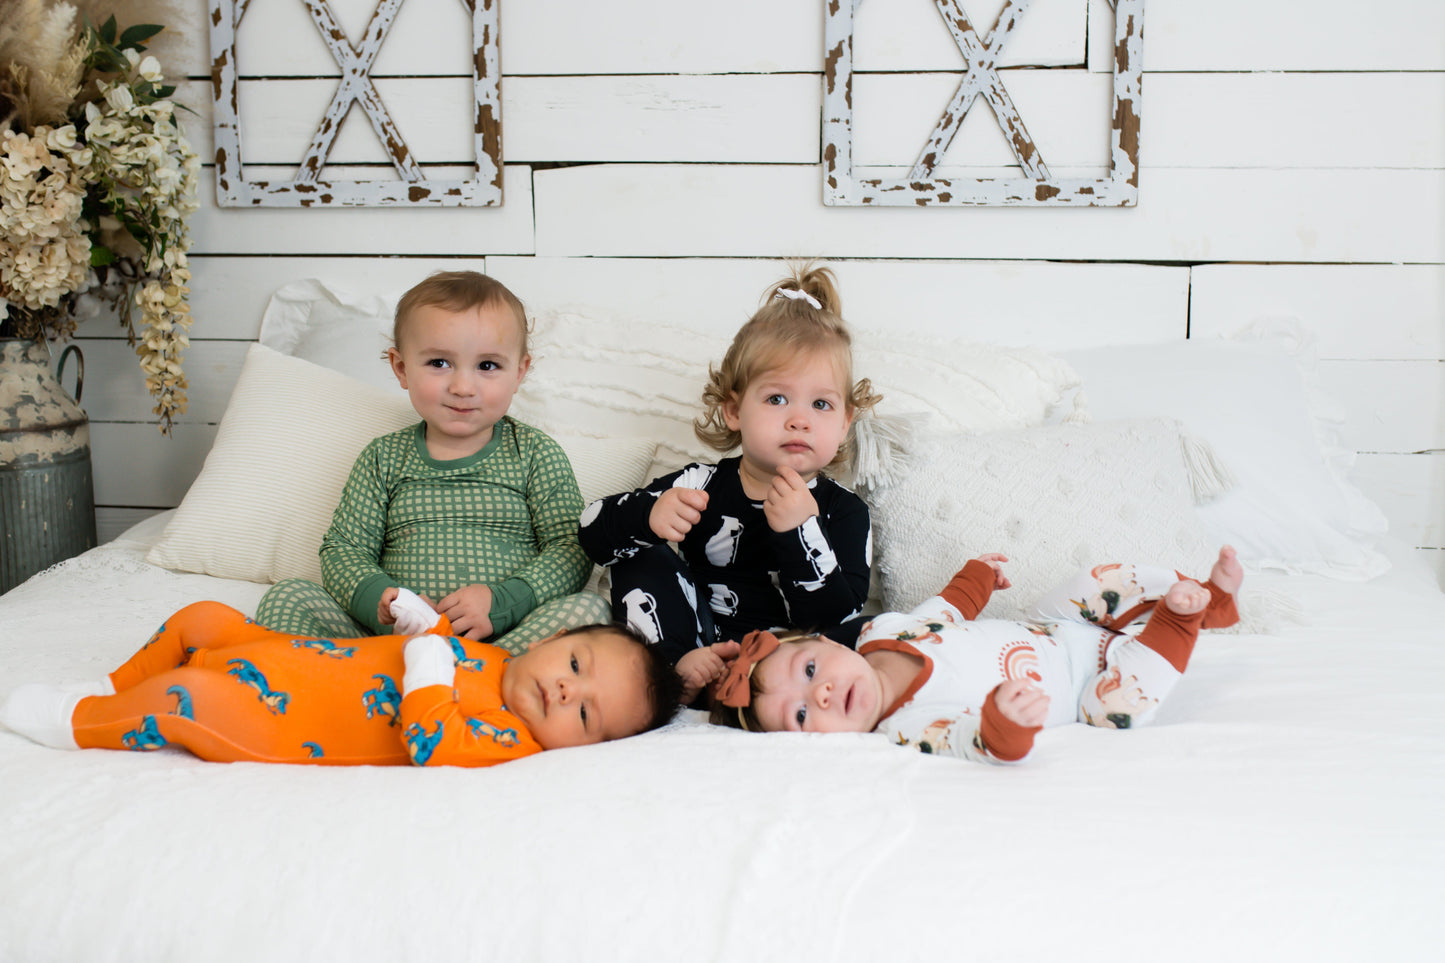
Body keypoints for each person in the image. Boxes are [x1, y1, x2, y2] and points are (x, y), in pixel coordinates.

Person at [255, 270, 608, 654]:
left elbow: (570, 548)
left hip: (503, 641)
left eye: (487, 366)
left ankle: (486, 677)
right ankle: (373, 679)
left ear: (519, 372)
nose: (462, 386)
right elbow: (345, 549)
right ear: (402, 368)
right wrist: (383, 601)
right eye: (439, 362)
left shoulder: (535, 454)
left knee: (590, 612)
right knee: (289, 596)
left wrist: (503, 601)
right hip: (392, 643)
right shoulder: (384, 457)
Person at [578, 263, 881, 701]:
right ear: (734, 411)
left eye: (821, 404)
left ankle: (754, 693)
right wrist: (650, 517)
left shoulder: (846, 510)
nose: (799, 420)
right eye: (777, 398)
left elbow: (836, 615)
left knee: (865, 632)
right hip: (698, 642)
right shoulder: (700, 483)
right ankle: (675, 676)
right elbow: (591, 533)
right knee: (639, 554)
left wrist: (801, 534)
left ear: (845, 423)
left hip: (791, 666)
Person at [0, 589, 682, 766]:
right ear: (557, 640)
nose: (565, 691)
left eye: (585, 716)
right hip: (285, 654)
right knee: (203, 617)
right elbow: (441, 650)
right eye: (573, 665)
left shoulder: (508, 738)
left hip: (277, 721)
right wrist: (423, 624)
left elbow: (430, 737)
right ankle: (113, 684)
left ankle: (81, 719)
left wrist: (425, 665)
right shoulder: (502, 659)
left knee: (188, 699)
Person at [710, 547, 1244, 765]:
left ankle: (1210, 600)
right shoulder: (905, 727)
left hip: (1060, 629)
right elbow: (972, 742)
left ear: (826, 642)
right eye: (802, 715)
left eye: (809, 671)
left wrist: (978, 577)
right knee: (1120, 709)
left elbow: (943, 611)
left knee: (1099, 579)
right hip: (1090, 689)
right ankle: (1179, 620)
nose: (821, 693)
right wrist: (1003, 725)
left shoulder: (881, 630)